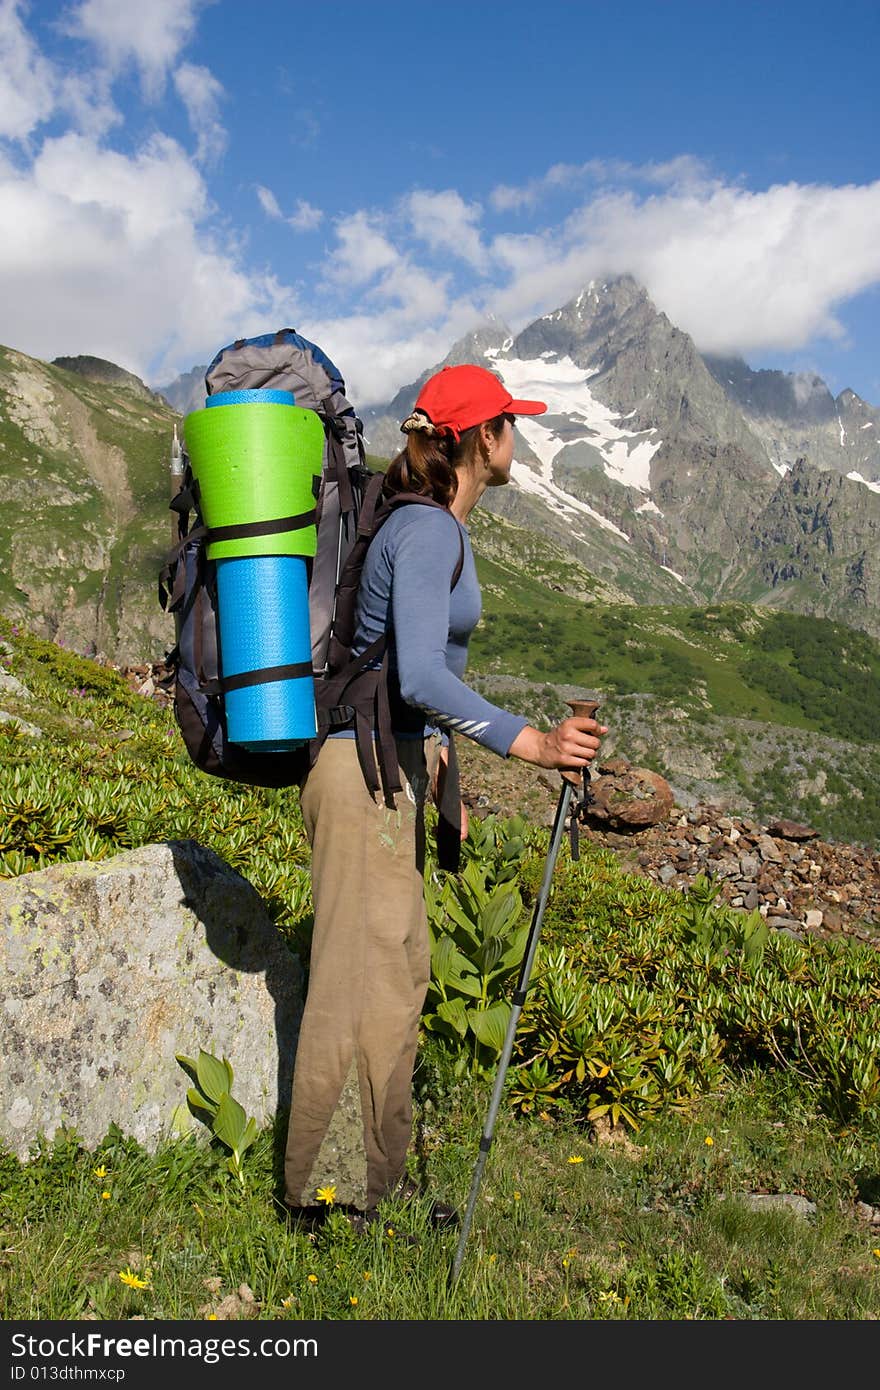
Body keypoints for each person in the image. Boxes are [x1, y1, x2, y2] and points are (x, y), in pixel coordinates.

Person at [282, 362, 607, 1232]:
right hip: (362, 777)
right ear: (480, 440)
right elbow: (421, 672)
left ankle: (362, 1184)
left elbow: (412, 674)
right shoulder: (427, 532)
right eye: (510, 422)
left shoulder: (425, 525)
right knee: (363, 984)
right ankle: (326, 1202)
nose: (518, 438)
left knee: (394, 972)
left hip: (383, 770)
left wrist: (436, 765)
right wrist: (527, 741)